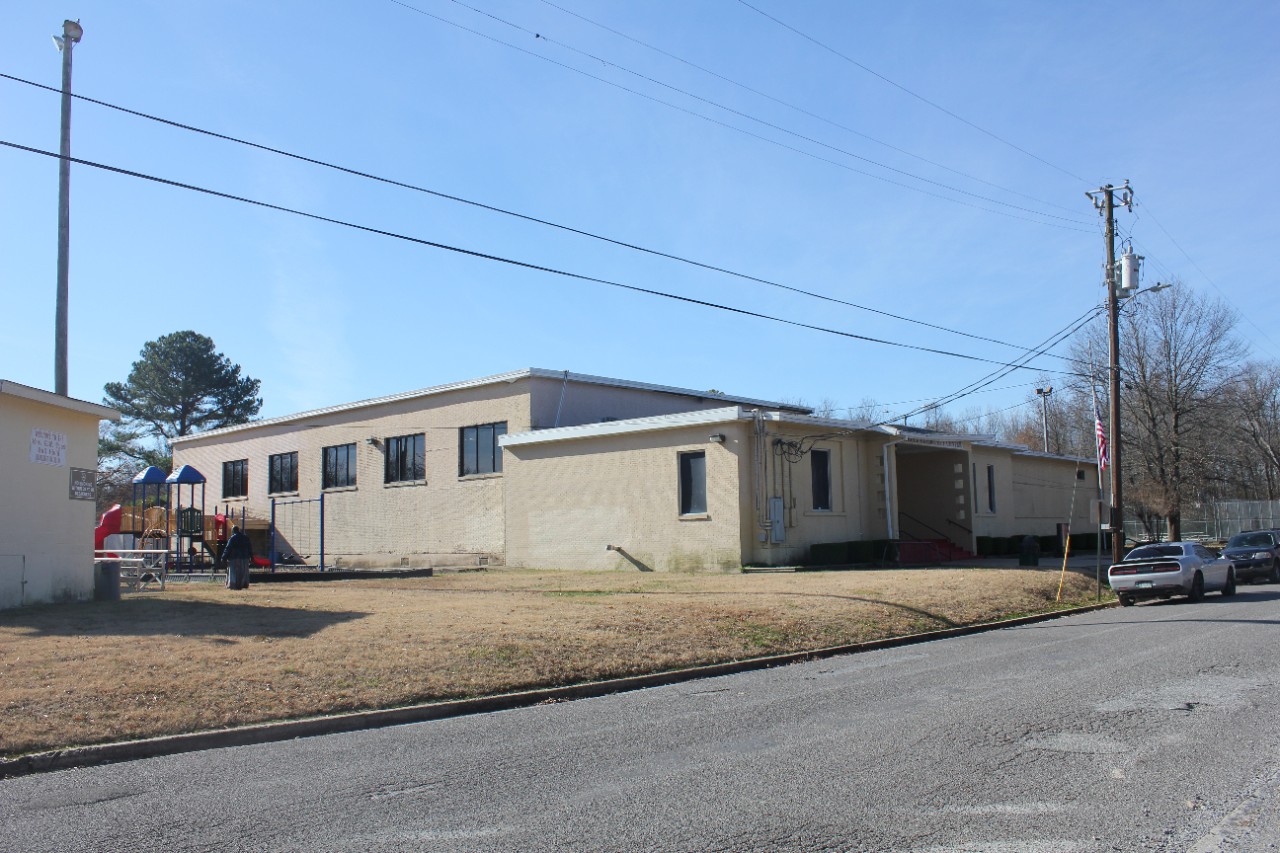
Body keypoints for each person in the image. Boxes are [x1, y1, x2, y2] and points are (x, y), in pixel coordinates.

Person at [223, 525, 253, 590]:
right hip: (245, 558)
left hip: (234, 558)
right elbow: (250, 548)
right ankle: (244, 584)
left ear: (233, 531)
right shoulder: (246, 538)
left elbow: (228, 548)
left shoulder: (232, 538)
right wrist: (251, 557)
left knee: (233, 572)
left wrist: (224, 557)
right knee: (243, 572)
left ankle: (233, 584)